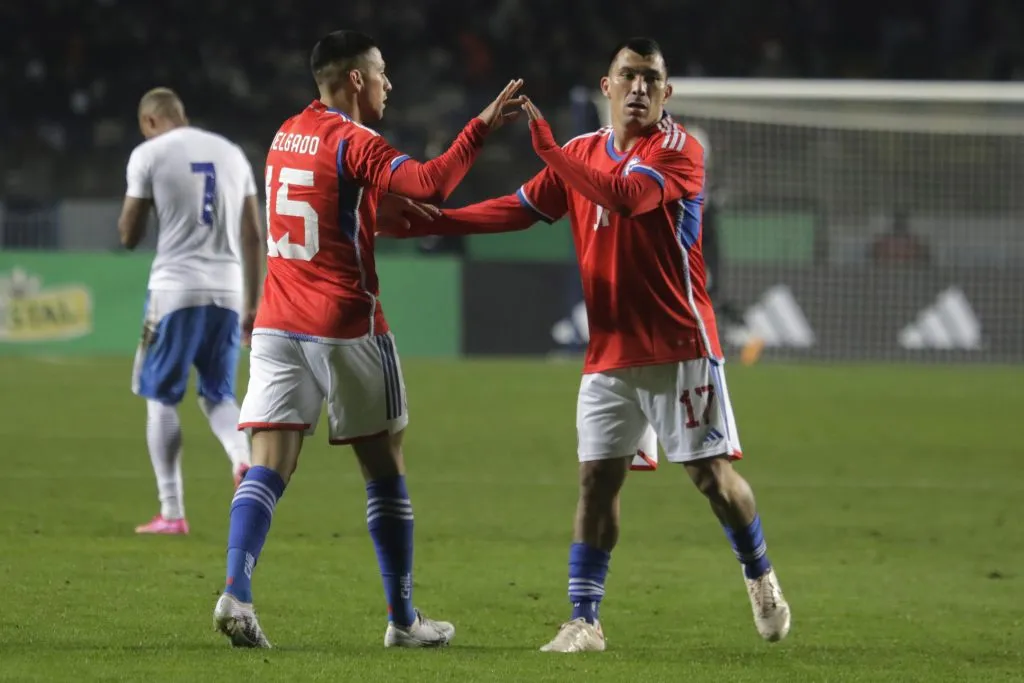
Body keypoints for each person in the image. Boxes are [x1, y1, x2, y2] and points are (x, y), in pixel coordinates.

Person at [381, 37, 791, 652]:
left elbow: (627, 199)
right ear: (607, 86)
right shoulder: (581, 152)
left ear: (666, 93)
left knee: (712, 478)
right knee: (597, 481)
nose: (639, 89)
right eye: (628, 76)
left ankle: (759, 574)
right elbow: (520, 208)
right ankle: (585, 619)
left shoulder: (680, 151)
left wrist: (548, 151)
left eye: (651, 78)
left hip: (680, 345)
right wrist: (439, 220)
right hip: (608, 351)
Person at [212, 29, 524, 649]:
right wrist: (480, 126)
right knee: (384, 464)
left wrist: (380, 215)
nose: (389, 83)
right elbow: (432, 182)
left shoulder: (284, 135)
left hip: (277, 320)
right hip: (344, 322)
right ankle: (403, 619)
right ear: (356, 79)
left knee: (269, 465)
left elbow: (323, 208)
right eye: (381, 72)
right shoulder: (358, 142)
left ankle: (235, 592)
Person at [118, 87, 263, 535]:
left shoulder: (149, 154)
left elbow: (128, 234)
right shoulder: (232, 154)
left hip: (174, 290)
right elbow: (254, 234)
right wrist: (253, 303)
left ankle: (172, 512)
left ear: (149, 122)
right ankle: (243, 461)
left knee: (160, 396)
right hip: (228, 290)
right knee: (217, 394)